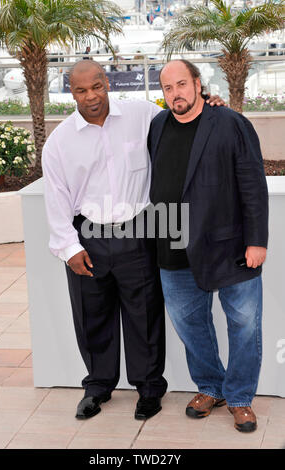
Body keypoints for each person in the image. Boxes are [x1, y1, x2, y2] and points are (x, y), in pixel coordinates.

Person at [42, 59, 224, 421]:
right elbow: (56, 197)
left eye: (96, 86)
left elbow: (183, 117)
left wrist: (212, 104)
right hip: (88, 238)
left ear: (106, 82)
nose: (91, 96)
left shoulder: (143, 115)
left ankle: (149, 389)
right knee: (92, 316)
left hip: (138, 233)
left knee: (144, 316)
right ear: (71, 92)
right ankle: (97, 387)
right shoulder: (60, 141)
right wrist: (69, 248)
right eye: (80, 90)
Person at [148, 59, 269, 433]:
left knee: (245, 325)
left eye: (182, 84)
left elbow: (252, 184)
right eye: (168, 88)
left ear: (198, 84)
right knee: (190, 325)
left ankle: (240, 398)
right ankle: (210, 387)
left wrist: (257, 241)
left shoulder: (230, 122)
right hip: (173, 245)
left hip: (229, 246)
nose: (176, 94)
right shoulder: (157, 125)